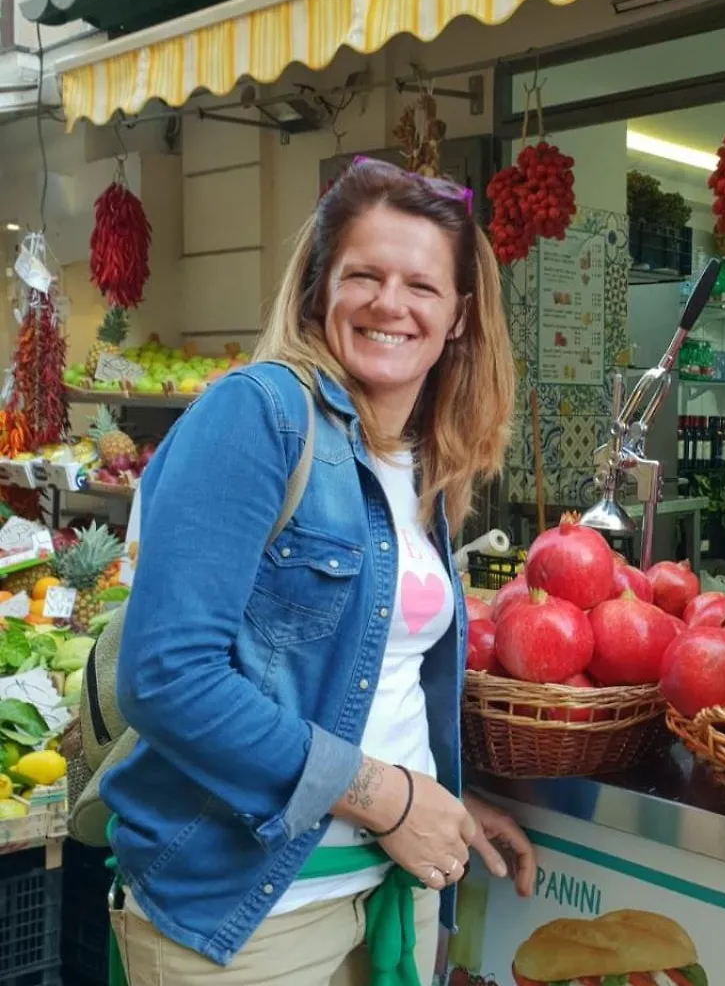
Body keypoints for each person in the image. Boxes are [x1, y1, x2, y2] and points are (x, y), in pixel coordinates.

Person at [103, 158, 530, 986]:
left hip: (383, 895)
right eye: (363, 275)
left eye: (421, 286)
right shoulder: (257, 416)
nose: (390, 304)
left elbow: (376, 678)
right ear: (316, 292)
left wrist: (445, 802)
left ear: (460, 319)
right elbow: (164, 677)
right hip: (245, 920)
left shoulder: (419, 463)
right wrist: (393, 801)